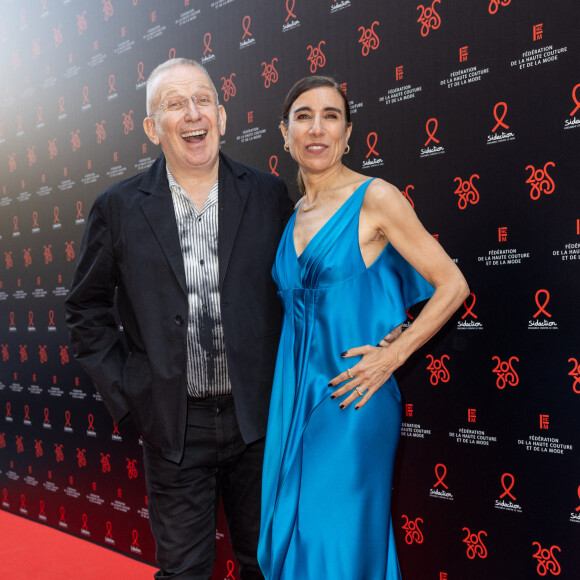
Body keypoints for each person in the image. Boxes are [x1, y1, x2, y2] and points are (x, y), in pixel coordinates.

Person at [65, 58, 293, 580]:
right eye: (175, 104)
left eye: (204, 99)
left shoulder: (266, 194)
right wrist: (132, 394)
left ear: (223, 114)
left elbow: (302, 287)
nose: (194, 113)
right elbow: (85, 308)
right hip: (172, 424)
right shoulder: (118, 207)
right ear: (152, 128)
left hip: (257, 421)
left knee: (267, 564)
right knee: (185, 570)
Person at [257, 76, 470, 579]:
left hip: (352, 400)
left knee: (338, 541)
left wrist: (394, 354)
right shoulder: (293, 216)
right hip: (292, 400)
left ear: (349, 133)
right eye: (303, 116)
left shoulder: (376, 197)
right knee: (296, 538)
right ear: (284, 133)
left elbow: (453, 285)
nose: (316, 128)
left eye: (331, 116)